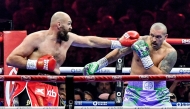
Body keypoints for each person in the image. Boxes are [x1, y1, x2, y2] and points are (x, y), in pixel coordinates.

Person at [6, 11, 139, 106]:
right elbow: (11, 59)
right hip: (31, 84)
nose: (71, 27)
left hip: (52, 87)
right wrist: (38, 64)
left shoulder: (68, 39)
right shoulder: (37, 38)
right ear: (59, 25)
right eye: (69, 24)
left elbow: (91, 41)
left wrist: (119, 42)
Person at [83, 22, 177, 106]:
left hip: (158, 95)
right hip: (134, 93)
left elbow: (159, 78)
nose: (153, 40)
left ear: (166, 37)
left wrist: (145, 58)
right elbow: (119, 52)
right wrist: (99, 64)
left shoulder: (170, 53)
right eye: (151, 35)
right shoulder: (139, 41)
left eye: (158, 37)